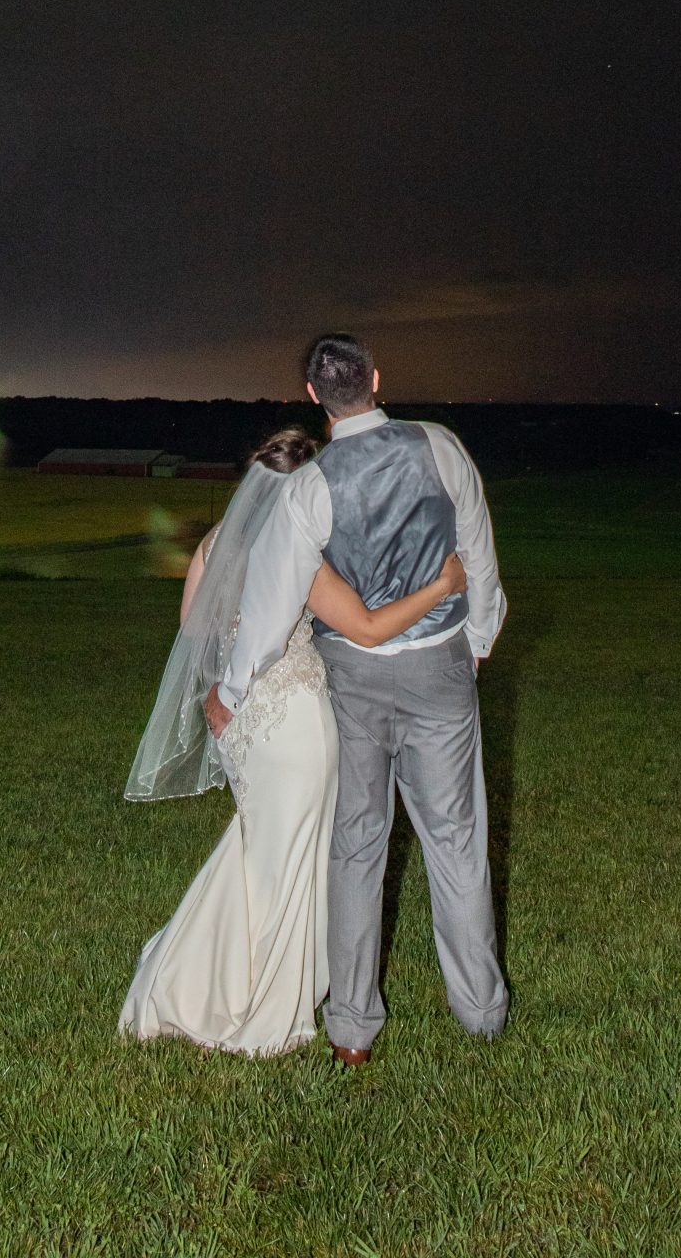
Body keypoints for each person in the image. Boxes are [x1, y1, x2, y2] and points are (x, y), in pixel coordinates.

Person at [120, 422, 465, 1057]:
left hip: (241, 725)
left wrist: (231, 678)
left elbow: (193, 629)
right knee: (293, 856)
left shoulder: (216, 544)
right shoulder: (298, 550)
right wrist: (442, 588)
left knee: (261, 846)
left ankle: (201, 975)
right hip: (296, 722)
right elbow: (366, 628)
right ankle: (253, 995)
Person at [210, 335, 509, 1063]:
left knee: (356, 847)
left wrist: (231, 690)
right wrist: (477, 637)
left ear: (313, 395)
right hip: (439, 668)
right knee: (457, 841)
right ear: (376, 378)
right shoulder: (440, 446)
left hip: (352, 681)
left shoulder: (309, 487)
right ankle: (480, 1013)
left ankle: (351, 1029)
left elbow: (272, 604)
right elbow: (476, 548)